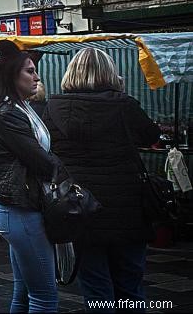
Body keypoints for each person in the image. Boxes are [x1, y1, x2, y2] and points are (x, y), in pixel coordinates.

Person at [43, 48, 160, 308]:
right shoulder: (124, 104)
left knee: (96, 288)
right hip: (127, 208)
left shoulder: (52, 107)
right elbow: (151, 136)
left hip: (79, 208)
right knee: (130, 286)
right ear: (110, 73)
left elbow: (47, 150)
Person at [0, 40, 64, 314]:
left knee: (25, 293)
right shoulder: (7, 112)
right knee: (44, 298)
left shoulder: (19, 107)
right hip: (20, 209)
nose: (37, 76)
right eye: (30, 71)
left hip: (20, 208)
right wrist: (68, 179)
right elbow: (39, 159)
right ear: (12, 76)